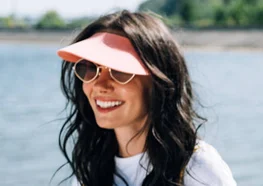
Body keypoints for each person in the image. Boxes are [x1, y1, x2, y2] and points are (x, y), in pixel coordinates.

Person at [55, 10, 236, 186]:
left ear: (159, 81)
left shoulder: (198, 169)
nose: (100, 85)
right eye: (90, 68)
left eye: (119, 71)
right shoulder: (89, 171)